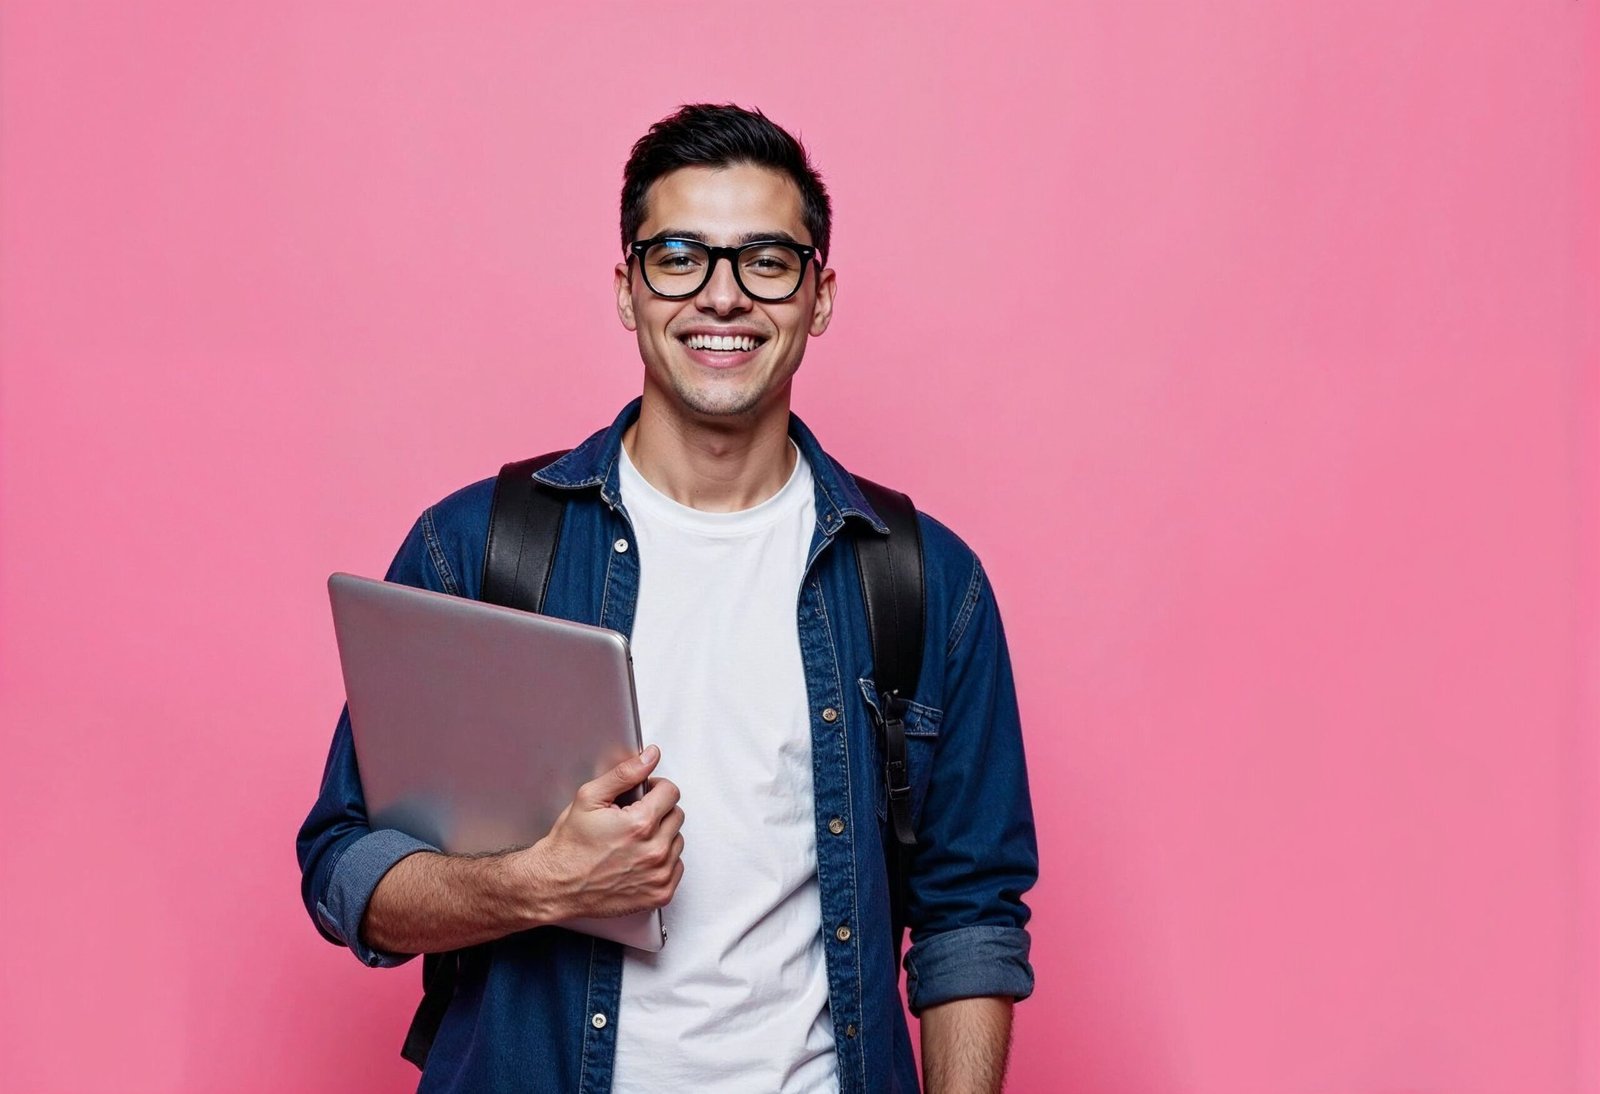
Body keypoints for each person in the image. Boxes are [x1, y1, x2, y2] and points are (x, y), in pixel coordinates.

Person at [297, 103, 1037, 1094]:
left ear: (818, 295)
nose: (722, 297)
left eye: (766, 261)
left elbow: (969, 915)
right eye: (679, 256)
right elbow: (346, 869)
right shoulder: (480, 550)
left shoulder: (923, 580)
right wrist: (534, 884)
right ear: (627, 287)